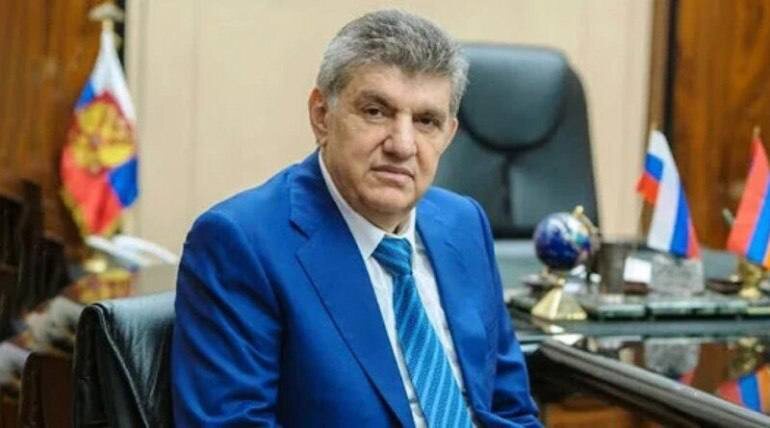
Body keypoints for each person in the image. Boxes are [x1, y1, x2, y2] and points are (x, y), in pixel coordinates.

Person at [171, 9, 541, 427]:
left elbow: (510, 408)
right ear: (321, 116)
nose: (402, 145)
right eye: (376, 111)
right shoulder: (240, 243)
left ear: (449, 134)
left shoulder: (464, 223)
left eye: (426, 121)